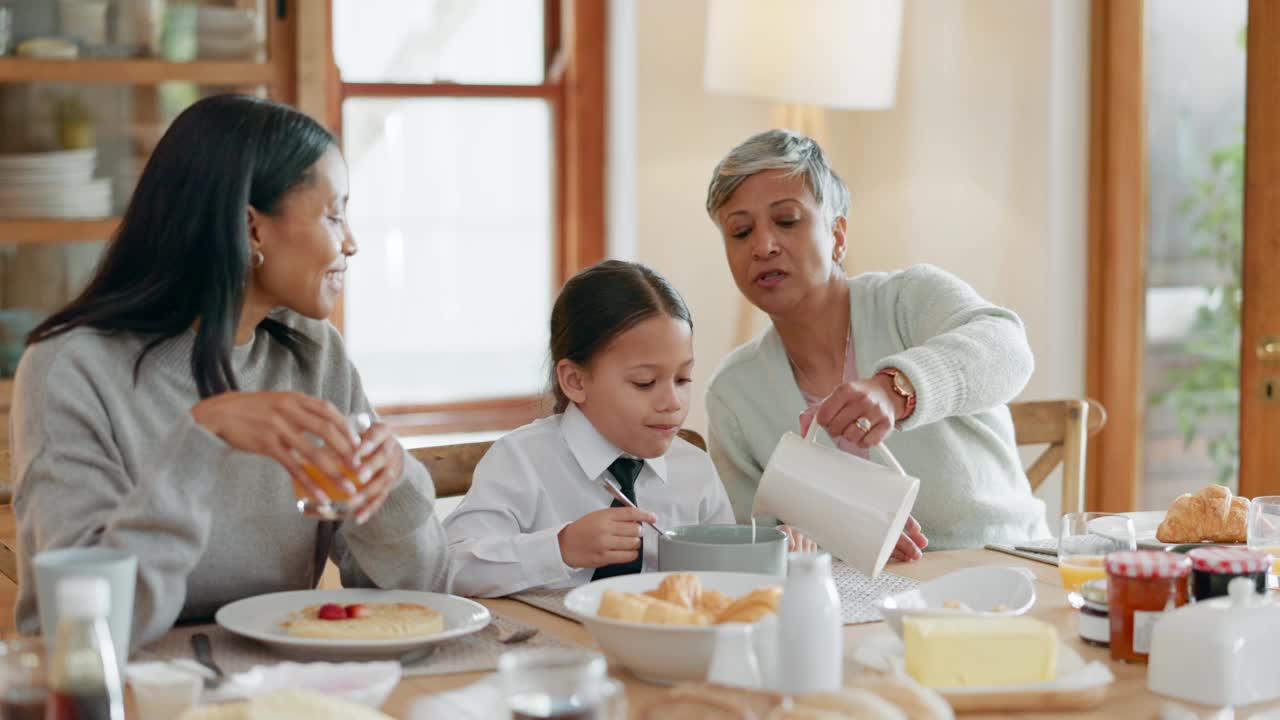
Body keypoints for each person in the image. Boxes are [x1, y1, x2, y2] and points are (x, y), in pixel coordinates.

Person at [10, 95, 448, 648]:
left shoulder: (313, 355)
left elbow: (426, 598)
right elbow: (85, 629)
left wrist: (394, 488)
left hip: (281, 687)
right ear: (252, 229)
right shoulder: (71, 368)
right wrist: (201, 441)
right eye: (334, 214)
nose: (352, 243)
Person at [703, 129, 1049, 554]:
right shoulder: (733, 393)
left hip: (1002, 568)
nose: (763, 246)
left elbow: (1008, 350)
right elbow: (749, 540)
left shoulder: (910, 298)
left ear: (838, 235)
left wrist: (896, 389)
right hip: (855, 602)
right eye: (740, 232)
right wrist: (846, 531)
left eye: (787, 221)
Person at [444, 260, 740, 598]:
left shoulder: (694, 470)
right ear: (575, 380)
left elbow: (727, 581)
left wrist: (780, 555)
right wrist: (560, 548)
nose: (672, 401)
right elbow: (451, 566)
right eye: (644, 383)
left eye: (682, 378)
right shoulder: (521, 461)